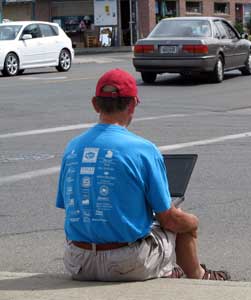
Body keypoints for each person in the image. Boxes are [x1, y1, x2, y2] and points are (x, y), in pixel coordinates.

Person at [56, 68, 230, 282]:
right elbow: (170, 221)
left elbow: (69, 205)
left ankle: (164, 268)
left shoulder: (72, 148)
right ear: (132, 105)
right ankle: (199, 275)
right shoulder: (143, 150)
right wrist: (193, 222)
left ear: (95, 104)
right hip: (126, 263)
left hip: (78, 262)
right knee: (182, 220)